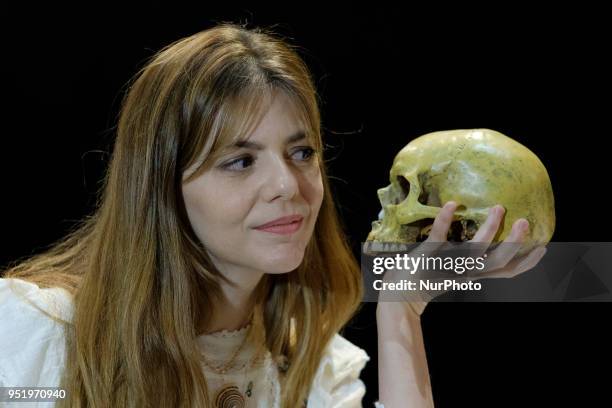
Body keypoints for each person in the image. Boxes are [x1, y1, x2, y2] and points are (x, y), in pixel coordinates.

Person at [0, 23, 546, 407]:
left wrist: (400, 310)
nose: (289, 186)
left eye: (301, 152)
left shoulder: (317, 366)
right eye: (240, 161)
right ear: (161, 185)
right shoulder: (40, 332)